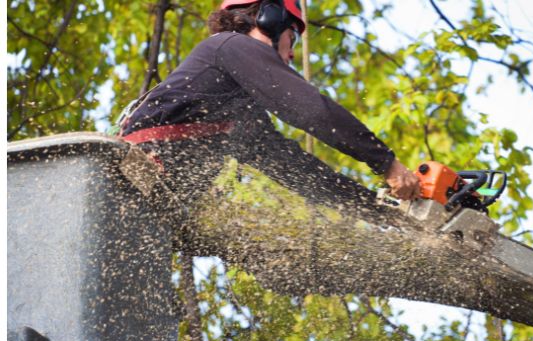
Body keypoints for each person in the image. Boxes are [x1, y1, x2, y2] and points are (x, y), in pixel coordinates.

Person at [119, 0, 420, 207]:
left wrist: (380, 209)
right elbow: (311, 110)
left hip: (149, 201)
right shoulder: (230, 46)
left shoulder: (239, 110)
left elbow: (298, 171)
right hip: (132, 178)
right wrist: (387, 163)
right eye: (294, 37)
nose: (291, 54)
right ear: (271, 18)